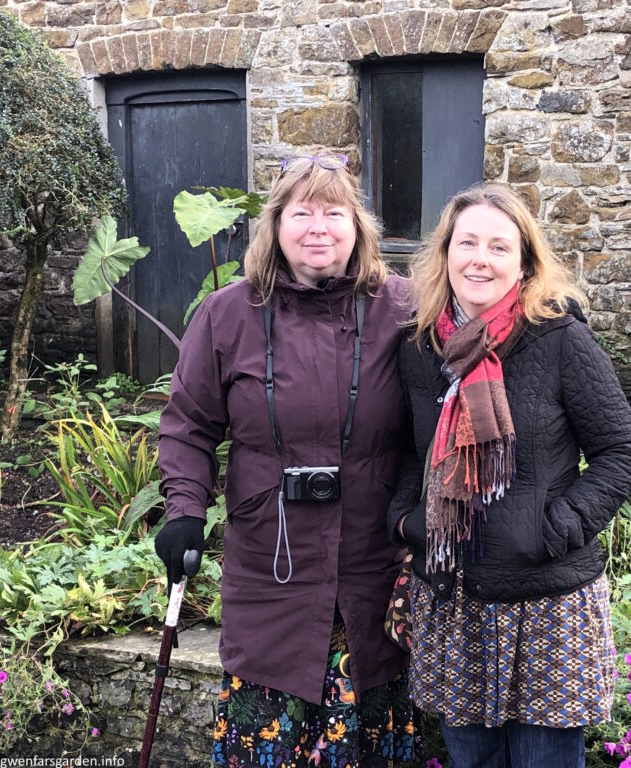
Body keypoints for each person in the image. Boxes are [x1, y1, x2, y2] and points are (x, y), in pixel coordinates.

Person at [155, 152, 417, 767]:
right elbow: (188, 425)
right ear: (275, 225)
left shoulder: (404, 310)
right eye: (301, 213)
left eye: (334, 212)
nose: (318, 227)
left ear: (359, 226)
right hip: (270, 562)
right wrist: (185, 509)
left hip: (370, 560)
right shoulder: (227, 315)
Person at [387, 184, 631, 768]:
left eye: (499, 247)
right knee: (472, 759)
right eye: (467, 242)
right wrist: (406, 521)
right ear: (445, 253)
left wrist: (554, 529)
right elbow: (410, 449)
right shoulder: (421, 348)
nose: (480, 259)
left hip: (547, 602)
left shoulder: (560, 339)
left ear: (525, 261)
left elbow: (621, 449)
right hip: (455, 597)